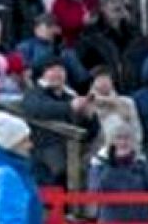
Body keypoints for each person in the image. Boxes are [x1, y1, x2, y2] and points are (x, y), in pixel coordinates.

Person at [20, 57, 96, 186]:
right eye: (52, 70)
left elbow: (90, 131)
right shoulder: (34, 93)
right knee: (62, 168)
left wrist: (90, 117)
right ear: (43, 74)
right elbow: (37, 109)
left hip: (76, 145)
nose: (57, 73)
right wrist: (69, 107)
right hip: (45, 146)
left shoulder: (70, 95)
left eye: (61, 70)